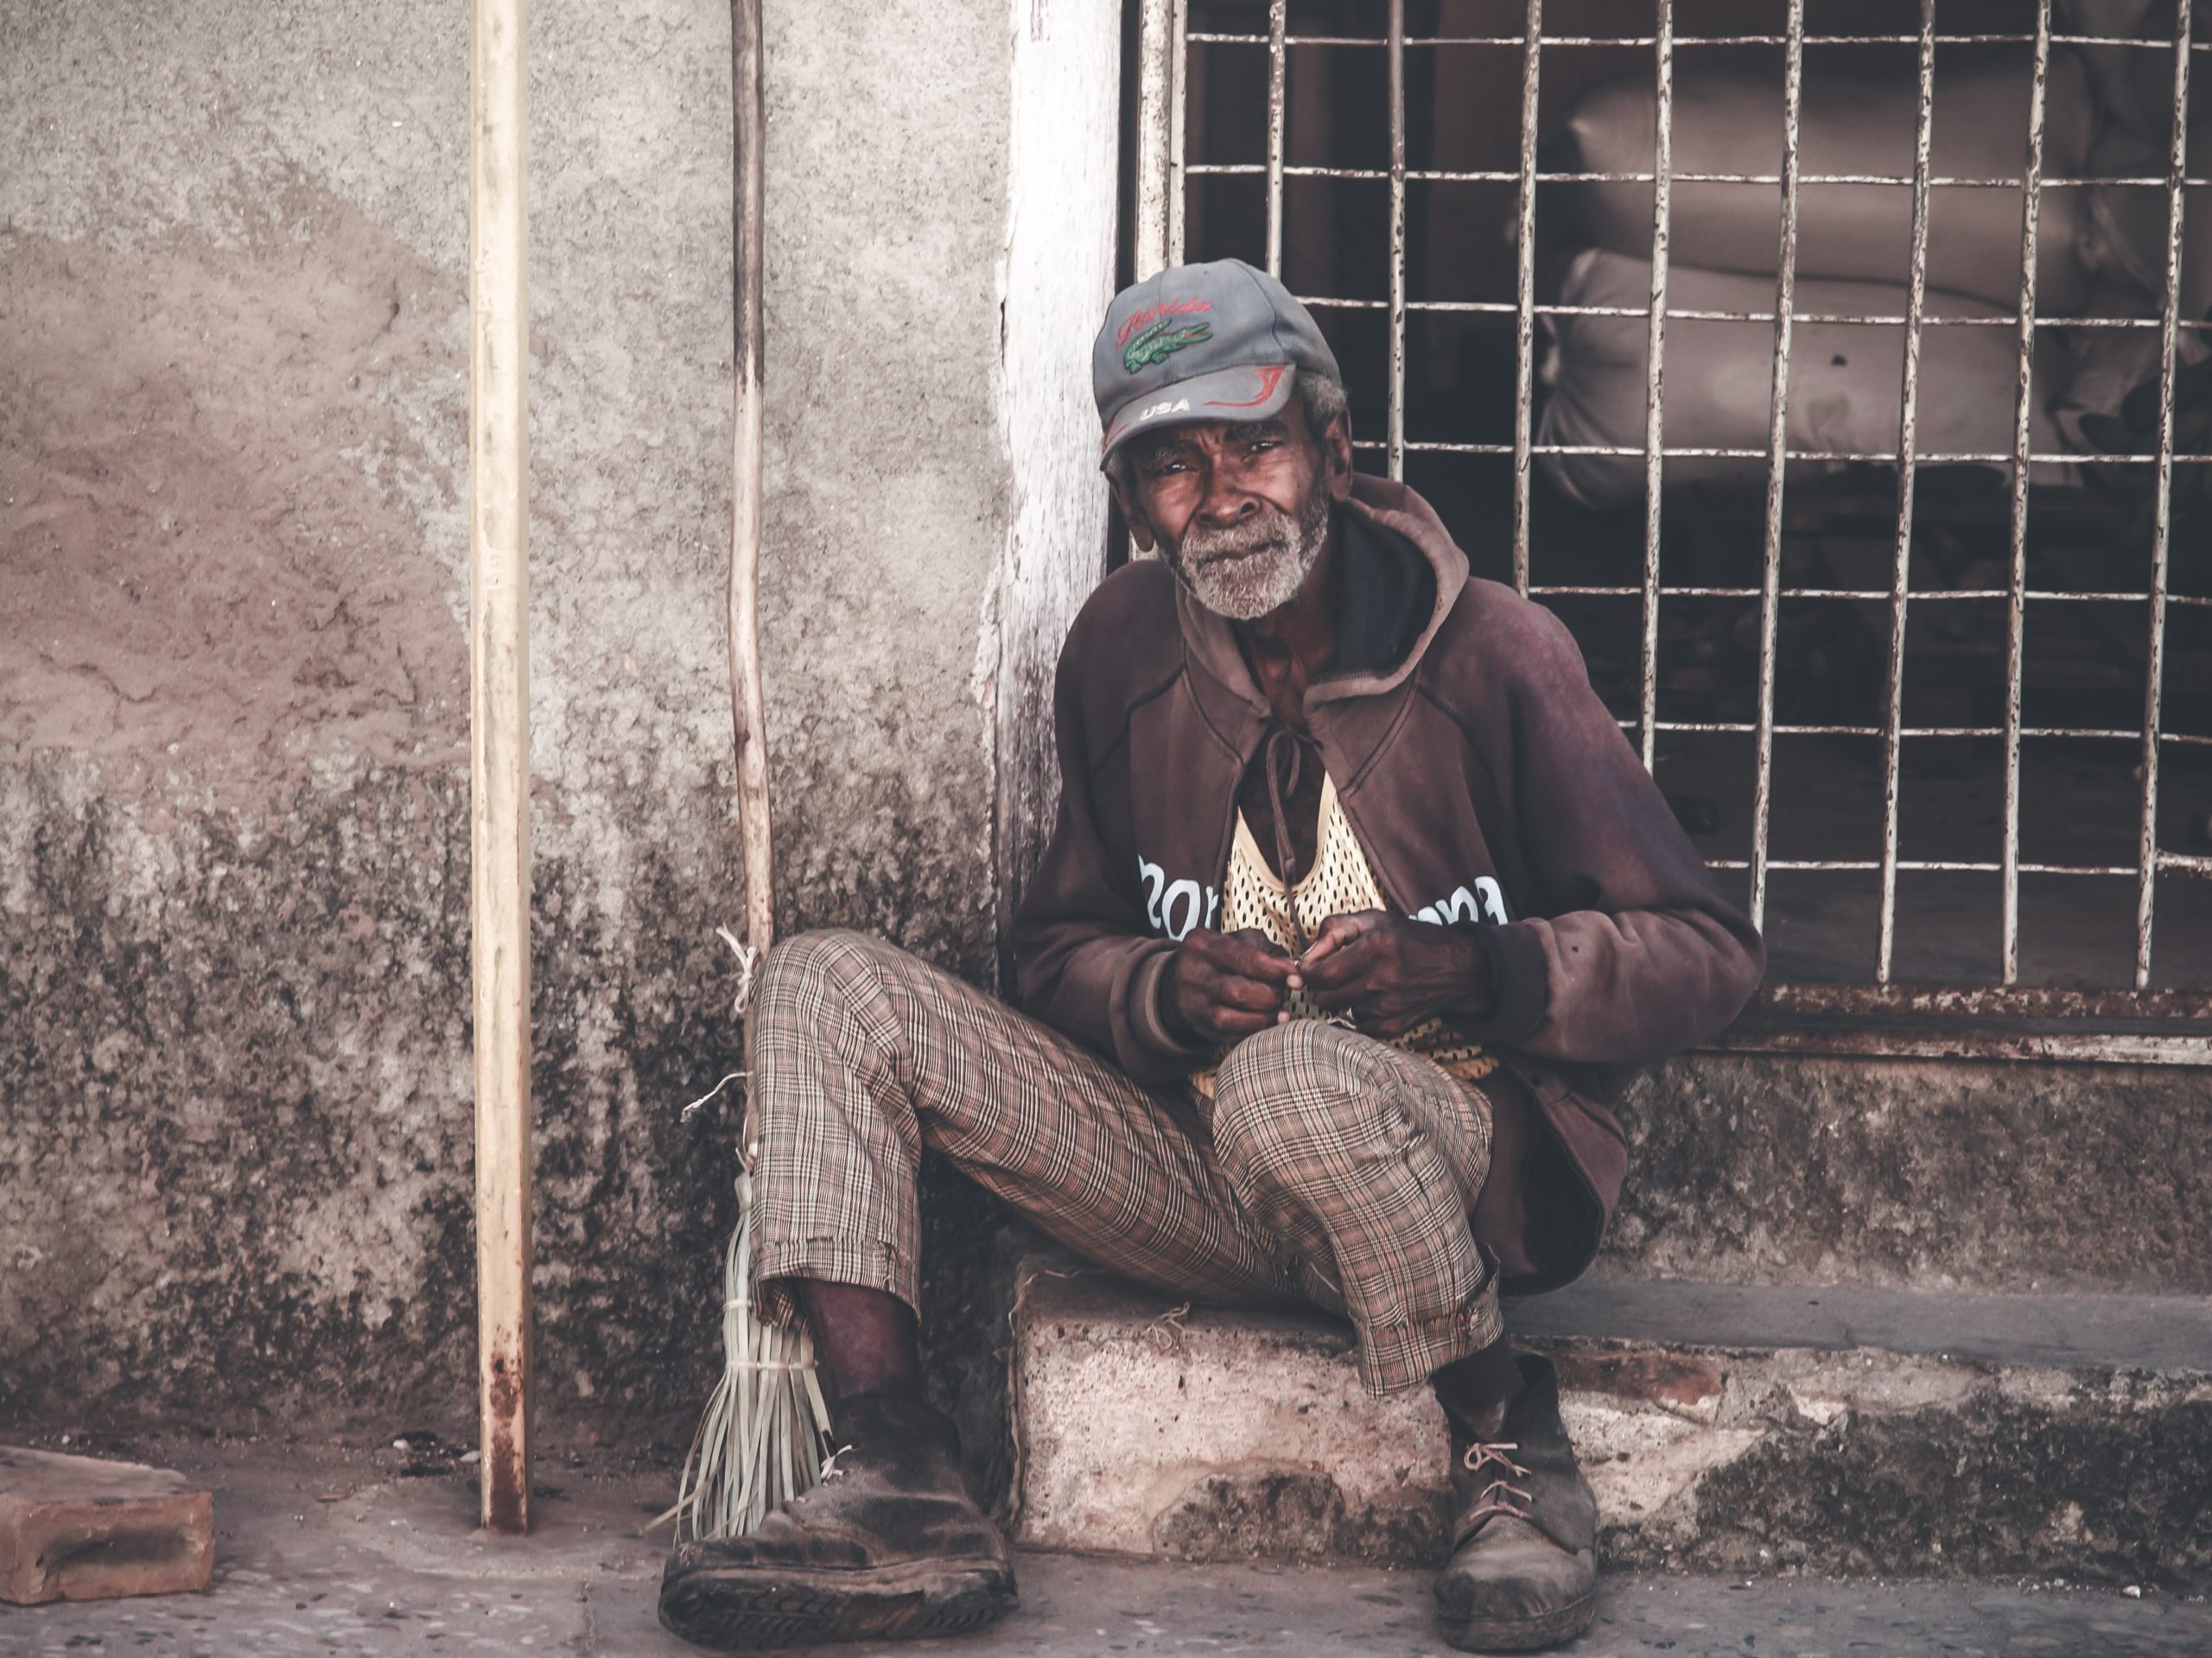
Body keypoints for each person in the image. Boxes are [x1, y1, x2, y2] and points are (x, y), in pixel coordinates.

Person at [658, 258, 1764, 1653]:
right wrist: (1159, 992)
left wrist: (1473, 972)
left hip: (1452, 1170)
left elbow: (1709, 955)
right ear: (1130, 501)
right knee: (823, 979)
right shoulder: (1121, 649)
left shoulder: (1500, 658)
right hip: (1198, 1170)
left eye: (1256, 443)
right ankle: (899, 1479)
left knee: (1295, 1079)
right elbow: (1054, 948)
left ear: (1334, 447)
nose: (1225, 494)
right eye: (1172, 467)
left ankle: (1501, 1433)